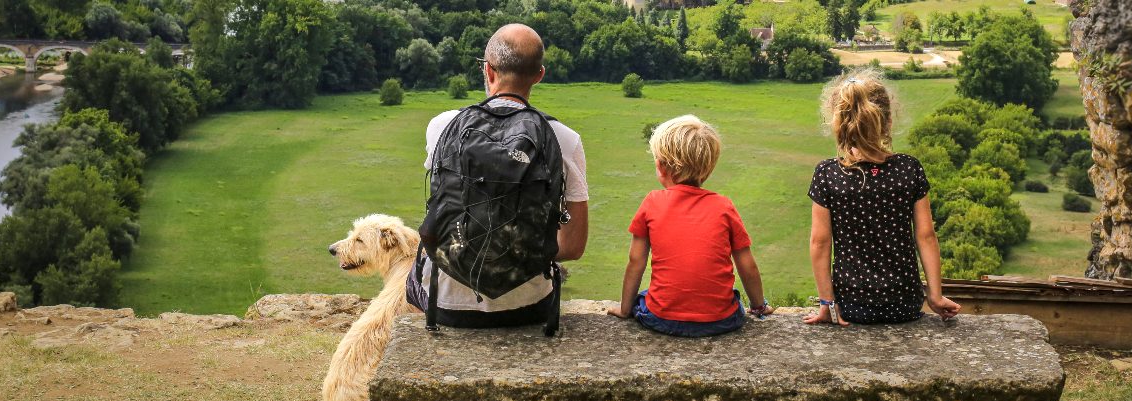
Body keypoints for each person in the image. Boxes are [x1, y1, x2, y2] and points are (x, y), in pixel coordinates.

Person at [405, 24, 589, 328]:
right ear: (539, 75)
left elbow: (441, 213)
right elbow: (573, 247)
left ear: (488, 70)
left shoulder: (442, 126)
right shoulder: (564, 139)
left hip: (447, 305)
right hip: (529, 306)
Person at [804, 69, 961, 326]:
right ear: (888, 122)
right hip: (905, 303)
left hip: (852, 305)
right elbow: (926, 235)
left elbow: (820, 242)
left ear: (839, 124)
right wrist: (935, 296)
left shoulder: (827, 173)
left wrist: (827, 305)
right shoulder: (909, 168)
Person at [607, 115, 773, 337]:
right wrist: (758, 306)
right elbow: (747, 264)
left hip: (662, 319)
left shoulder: (652, 202)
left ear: (660, 166)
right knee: (731, 296)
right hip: (722, 320)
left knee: (645, 297)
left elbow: (636, 262)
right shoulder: (724, 206)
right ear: (709, 168)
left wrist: (625, 309)